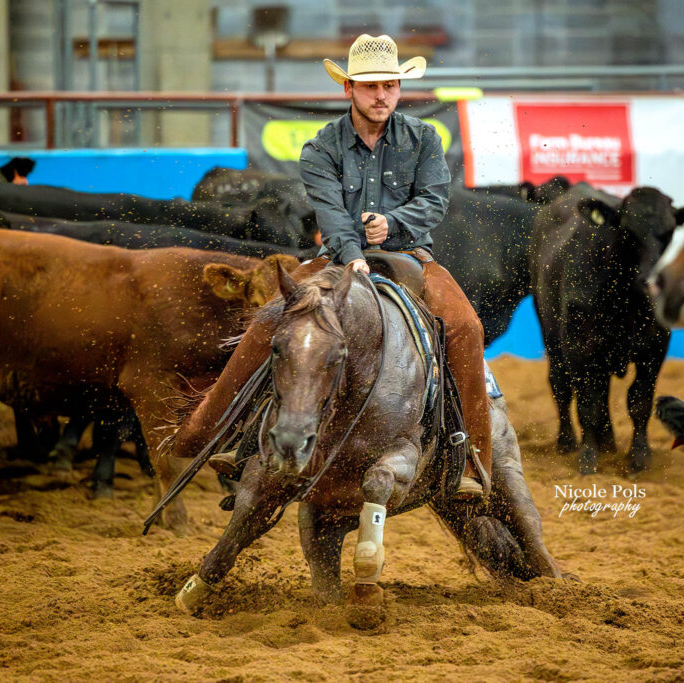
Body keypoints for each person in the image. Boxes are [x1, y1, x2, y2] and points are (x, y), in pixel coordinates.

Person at [180, 34, 490, 500]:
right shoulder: (321, 147)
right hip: (338, 257)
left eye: (389, 85)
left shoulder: (424, 138)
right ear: (349, 89)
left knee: (465, 326)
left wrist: (394, 223)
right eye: (370, 86)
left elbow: (434, 202)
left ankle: (474, 460)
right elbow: (329, 215)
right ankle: (230, 434)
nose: (381, 94)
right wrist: (355, 258)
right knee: (269, 318)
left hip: (413, 257)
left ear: (399, 89)